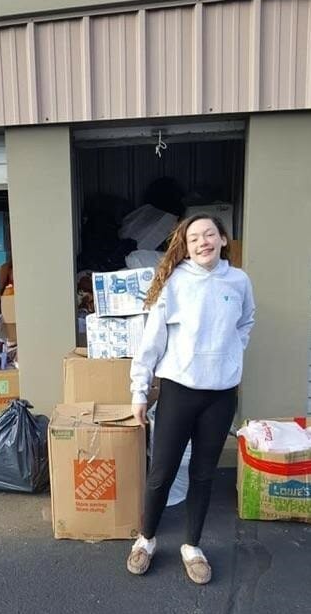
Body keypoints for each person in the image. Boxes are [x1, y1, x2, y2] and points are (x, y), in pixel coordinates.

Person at [127, 213, 255, 584]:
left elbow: (247, 321)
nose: (203, 242)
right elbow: (151, 342)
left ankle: (191, 547)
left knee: (202, 474)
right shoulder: (175, 283)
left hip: (220, 396)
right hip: (179, 392)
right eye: (194, 237)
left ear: (223, 239)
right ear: (186, 245)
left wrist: (233, 351)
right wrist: (139, 391)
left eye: (209, 235)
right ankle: (145, 539)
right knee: (161, 473)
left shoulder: (239, 281)